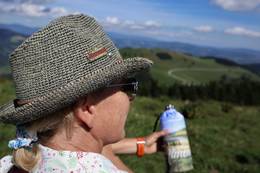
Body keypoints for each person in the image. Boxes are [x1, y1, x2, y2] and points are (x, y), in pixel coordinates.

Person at [0, 14, 167, 173]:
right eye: (127, 86)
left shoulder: (18, 162)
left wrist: (142, 144)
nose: (130, 98)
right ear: (87, 108)